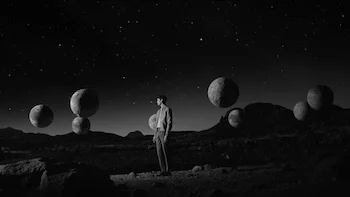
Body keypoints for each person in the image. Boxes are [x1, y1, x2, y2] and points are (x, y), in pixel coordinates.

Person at [153, 95, 173, 176]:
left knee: (165, 151)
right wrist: (154, 135)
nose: (156, 102)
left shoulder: (167, 109)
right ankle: (162, 170)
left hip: (163, 132)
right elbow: (156, 124)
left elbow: (169, 123)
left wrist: (166, 134)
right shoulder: (158, 112)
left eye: (157, 100)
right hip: (157, 132)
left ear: (161, 100)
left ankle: (168, 170)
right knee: (159, 152)